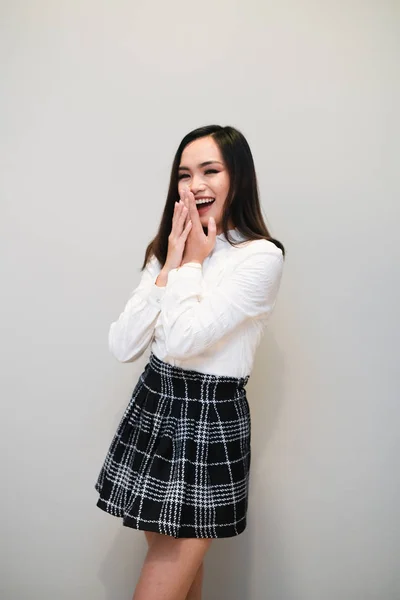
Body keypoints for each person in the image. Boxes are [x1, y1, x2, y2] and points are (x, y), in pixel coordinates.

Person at [95, 124, 285, 600]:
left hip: (209, 417)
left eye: (210, 170)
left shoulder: (260, 257)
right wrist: (172, 260)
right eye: (184, 174)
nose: (194, 184)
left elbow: (180, 341)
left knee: (161, 585)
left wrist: (193, 262)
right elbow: (123, 345)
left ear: (237, 178)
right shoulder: (169, 248)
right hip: (154, 404)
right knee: (182, 586)